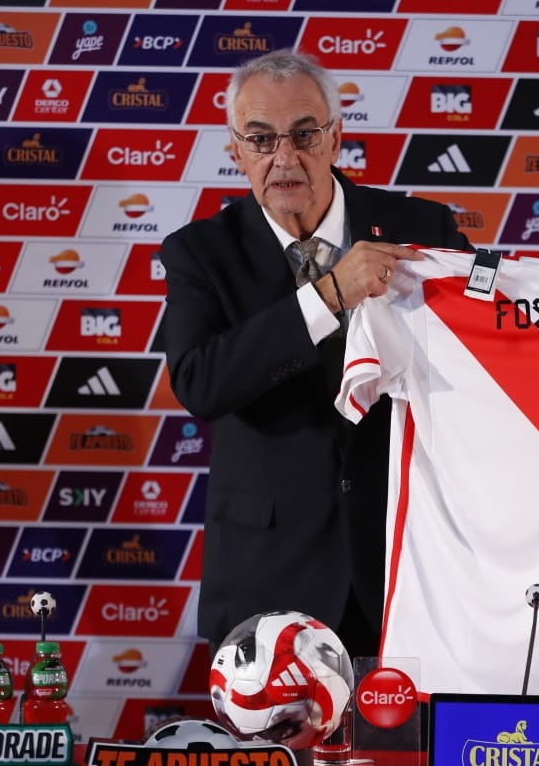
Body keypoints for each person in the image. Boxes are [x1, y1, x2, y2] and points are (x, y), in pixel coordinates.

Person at [159, 49, 470, 655]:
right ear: (236, 148)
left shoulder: (422, 229)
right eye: (262, 139)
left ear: (335, 137)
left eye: (304, 134)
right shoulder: (200, 253)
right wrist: (329, 295)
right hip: (268, 573)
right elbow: (202, 383)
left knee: (413, 751)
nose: (284, 158)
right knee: (273, 753)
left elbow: (511, 326)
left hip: (411, 559)